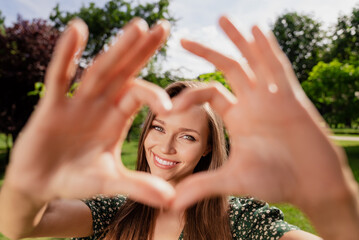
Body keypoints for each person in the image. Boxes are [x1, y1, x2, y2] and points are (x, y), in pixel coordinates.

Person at [0, 14, 357, 240]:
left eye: (187, 136)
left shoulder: (240, 220)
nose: (165, 147)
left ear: (207, 148)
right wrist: (26, 185)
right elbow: (18, 226)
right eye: (158, 128)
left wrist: (330, 197)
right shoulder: (112, 210)